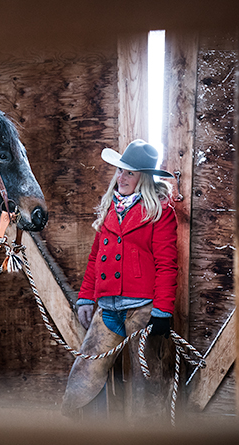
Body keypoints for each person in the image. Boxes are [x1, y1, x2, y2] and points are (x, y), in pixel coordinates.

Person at [61, 139, 178, 420]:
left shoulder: (160, 212)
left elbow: (166, 265)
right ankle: (89, 438)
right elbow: (95, 258)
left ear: (144, 178)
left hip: (143, 309)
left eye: (130, 173)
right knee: (85, 371)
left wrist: (163, 310)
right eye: (120, 171)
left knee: (146, 379)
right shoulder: (110, 208)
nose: (122, 178)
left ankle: (146, 444)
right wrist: (86, 297)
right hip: (108, 308)